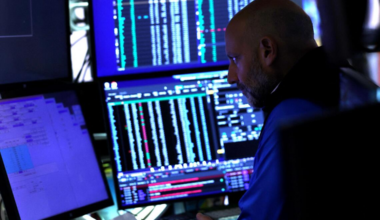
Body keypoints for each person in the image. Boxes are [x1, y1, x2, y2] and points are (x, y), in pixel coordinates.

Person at [196, 0, 367, 219]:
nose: (231, 77)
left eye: (234, 59)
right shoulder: (345, 80)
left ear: (268, 50)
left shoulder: (293, 117)